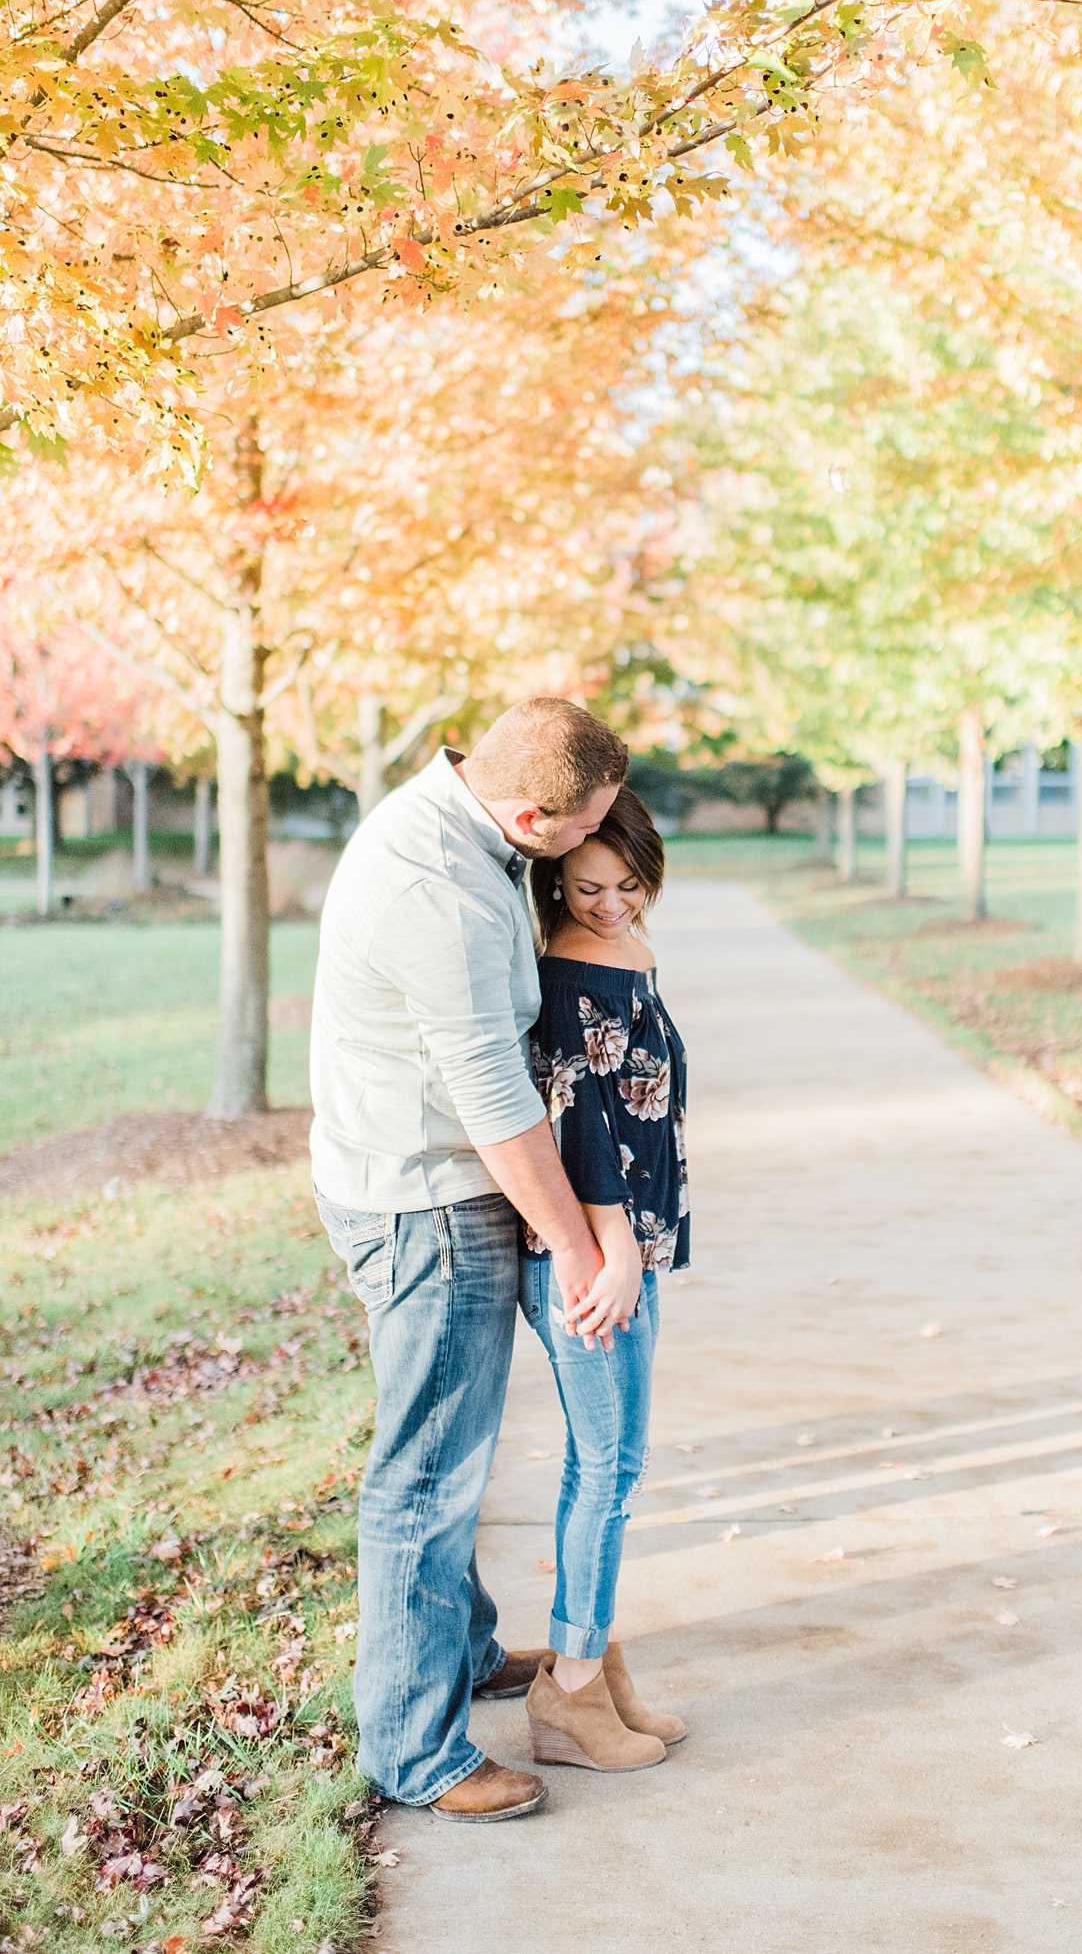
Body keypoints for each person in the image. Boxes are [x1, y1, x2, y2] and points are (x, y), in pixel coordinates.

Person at [309, 697, 631, 1825]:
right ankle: (415, 1752)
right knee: (428, 1475)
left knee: (448, 1455)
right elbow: (493, 1100)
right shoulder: (432, 891)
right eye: (584, 826)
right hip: (428, 1207)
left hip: (423, 1176)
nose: (597, 840)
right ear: (530, 811)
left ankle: (462, 1644)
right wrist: (584, 1246)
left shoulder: (473, 822)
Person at [519, 785, 690, 1771]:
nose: (611, 903)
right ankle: (571, 1689)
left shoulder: (626, 948)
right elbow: (578, 1116)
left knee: (614, 1465)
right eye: (589, 887)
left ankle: (594, 1665)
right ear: (555, 879)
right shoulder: (567, 970)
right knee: (606, 1469)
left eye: (628, 885)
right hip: (590, 1255)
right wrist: (615, 1248)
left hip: (629, 1246)